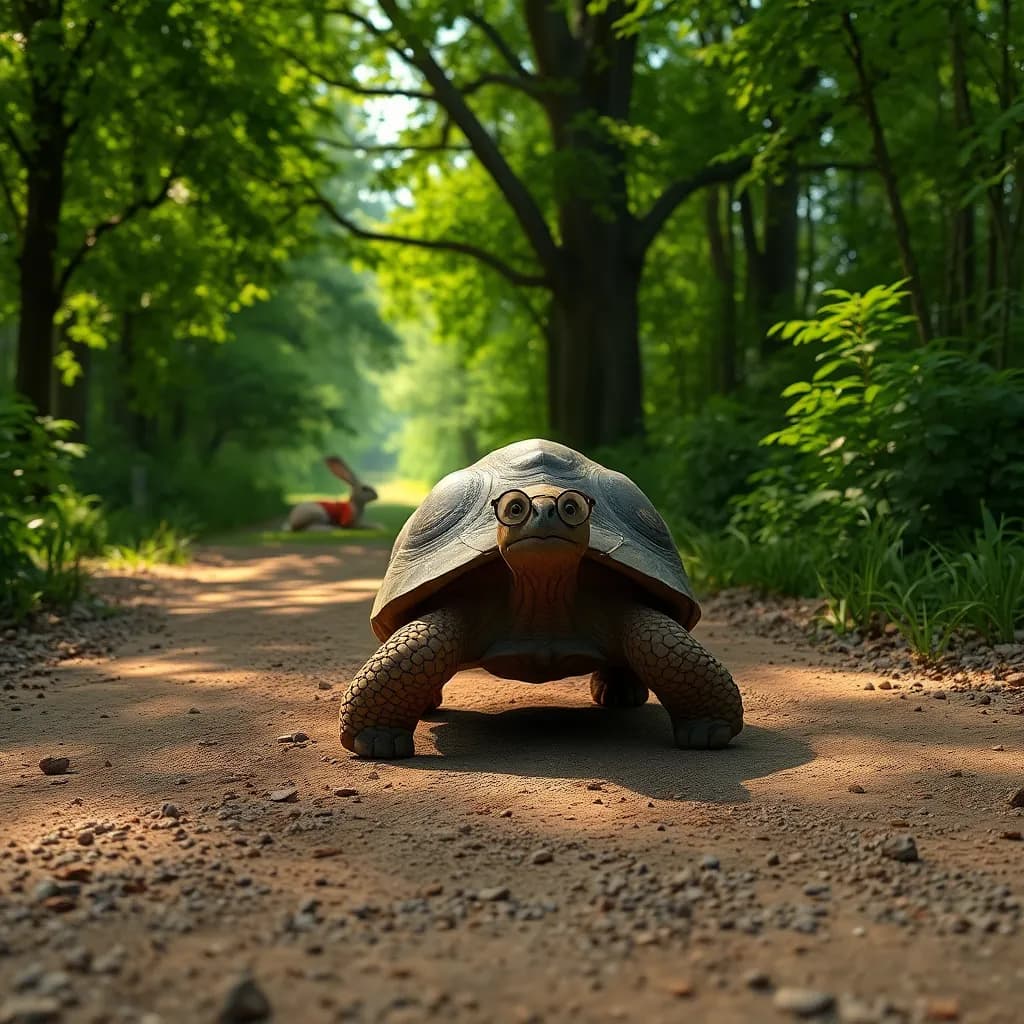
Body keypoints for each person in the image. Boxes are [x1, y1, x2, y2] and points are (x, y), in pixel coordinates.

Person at [284, 456, 378, 531]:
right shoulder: (349, 509)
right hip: (307, 511)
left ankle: (312, 528)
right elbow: (346, 525)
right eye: (365, 491)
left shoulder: (351, 508)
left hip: (305, 514)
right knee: (325, 519)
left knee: (326, 525)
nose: (373, 495)